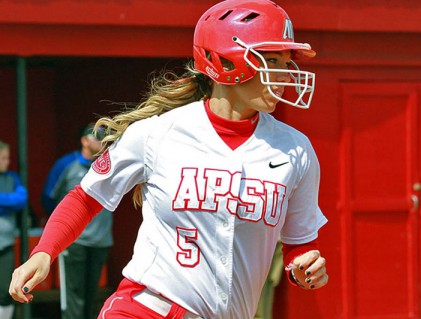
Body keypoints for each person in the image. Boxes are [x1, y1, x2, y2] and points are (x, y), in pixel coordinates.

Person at [9, 1, 329, 318]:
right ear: (226, 62)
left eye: (285, 62)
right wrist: (44, 252)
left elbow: (298, 246)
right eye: (270, 59)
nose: (284, 74)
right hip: (147, 308)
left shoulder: (295, 150)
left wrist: (302, 267)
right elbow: (86, 197)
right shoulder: (157, 133)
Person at [40, 123, 113, 319]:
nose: (101, 141)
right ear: (84, 140)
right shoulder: (66, 165)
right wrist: (62, 228)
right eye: (97, 136)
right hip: (74, 242)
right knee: (74, 297)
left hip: (100, 240)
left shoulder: (108, 164)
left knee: (91, 296)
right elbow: (48, 197)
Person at [0, 141, 28, 319]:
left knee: (5, 291)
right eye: (3, 158)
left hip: (6, 245)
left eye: (8, 158)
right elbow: (13, 202)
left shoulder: (12, 178)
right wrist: (7, 204)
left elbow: (21, 199)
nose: (7, 162)